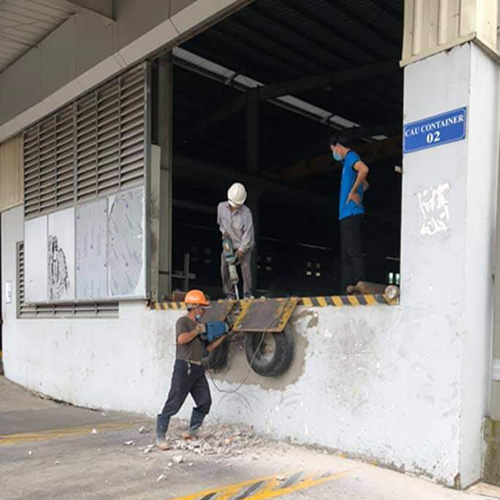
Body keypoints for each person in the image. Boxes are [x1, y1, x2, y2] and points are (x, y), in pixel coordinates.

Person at [156, 289, 225, 450]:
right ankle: (160, 437)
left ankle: (192, 430)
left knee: (205, 401)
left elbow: (206, 349)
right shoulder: (183, 322)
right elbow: (181, 340)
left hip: (198, 369)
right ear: (194, 308)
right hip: (184, 367)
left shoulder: (199, 326)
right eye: (202, 308)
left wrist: (223, 337)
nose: (203, 311)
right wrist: (196, 331)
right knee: (173, 403)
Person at [329, 135, 370, 294]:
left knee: (353, 251)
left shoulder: (351, 156)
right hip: (345, 213)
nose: (335, 154)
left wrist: (353, 192)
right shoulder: (346, 163)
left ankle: (359, 283)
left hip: (351, 212)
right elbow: (366, 184)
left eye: (334, 150)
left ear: (338, 146)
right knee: (346, 254)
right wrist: (359, 187)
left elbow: (364, 169)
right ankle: (346, 288)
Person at [217, 182, 255, 299]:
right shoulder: (221, 207)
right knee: (224, 265)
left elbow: (248, 235)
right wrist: (224, 233)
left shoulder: (246, 213)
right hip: (229, 243)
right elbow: (221, 223)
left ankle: (247, 293)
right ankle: (229, 293)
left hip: (244, 244)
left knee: (245, 267)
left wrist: (241, 250)